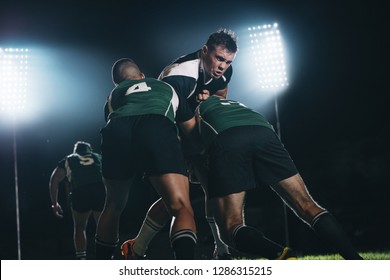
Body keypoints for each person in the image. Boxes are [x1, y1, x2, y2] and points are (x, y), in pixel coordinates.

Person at [192, 95, 363, 260]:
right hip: (263, 131)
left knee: (230, 228)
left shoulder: (194, 110)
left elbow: (203, 174)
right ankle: (356, 261)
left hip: (228, 136)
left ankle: (281, 254)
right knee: (308, 206)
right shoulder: (235, 103)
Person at [121, 28, 238, 260]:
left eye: (227, 61)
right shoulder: (179, 75)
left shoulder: (224, 72)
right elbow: (165, 114)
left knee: (211, 187)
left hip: (190, 132)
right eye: (218, 58)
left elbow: (220, 98)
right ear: (205, 51)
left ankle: (222, 251)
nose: (223, 65)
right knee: (176, 201)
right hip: (168, 133)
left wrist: (207, 101)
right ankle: (137, 249)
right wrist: (194, 148)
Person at [95, 58, 198, 260]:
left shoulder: (113, 95)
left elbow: (112, 116)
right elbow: (191, 129)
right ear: (142, 75)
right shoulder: (167, 87)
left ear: (118, 82)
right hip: (156, 125)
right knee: (180, 206)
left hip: (117, 129)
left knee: (113, 206)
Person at [49, 141, 106, 260]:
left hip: (80, 191)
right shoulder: (98, 157)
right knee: (102, 226)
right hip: (99, 190)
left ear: (75, 151)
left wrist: (55, 203)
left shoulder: (69, 159)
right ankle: (105, 256)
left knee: (80, 227)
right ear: (89, 150)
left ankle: (81, 258)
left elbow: (54, 179)